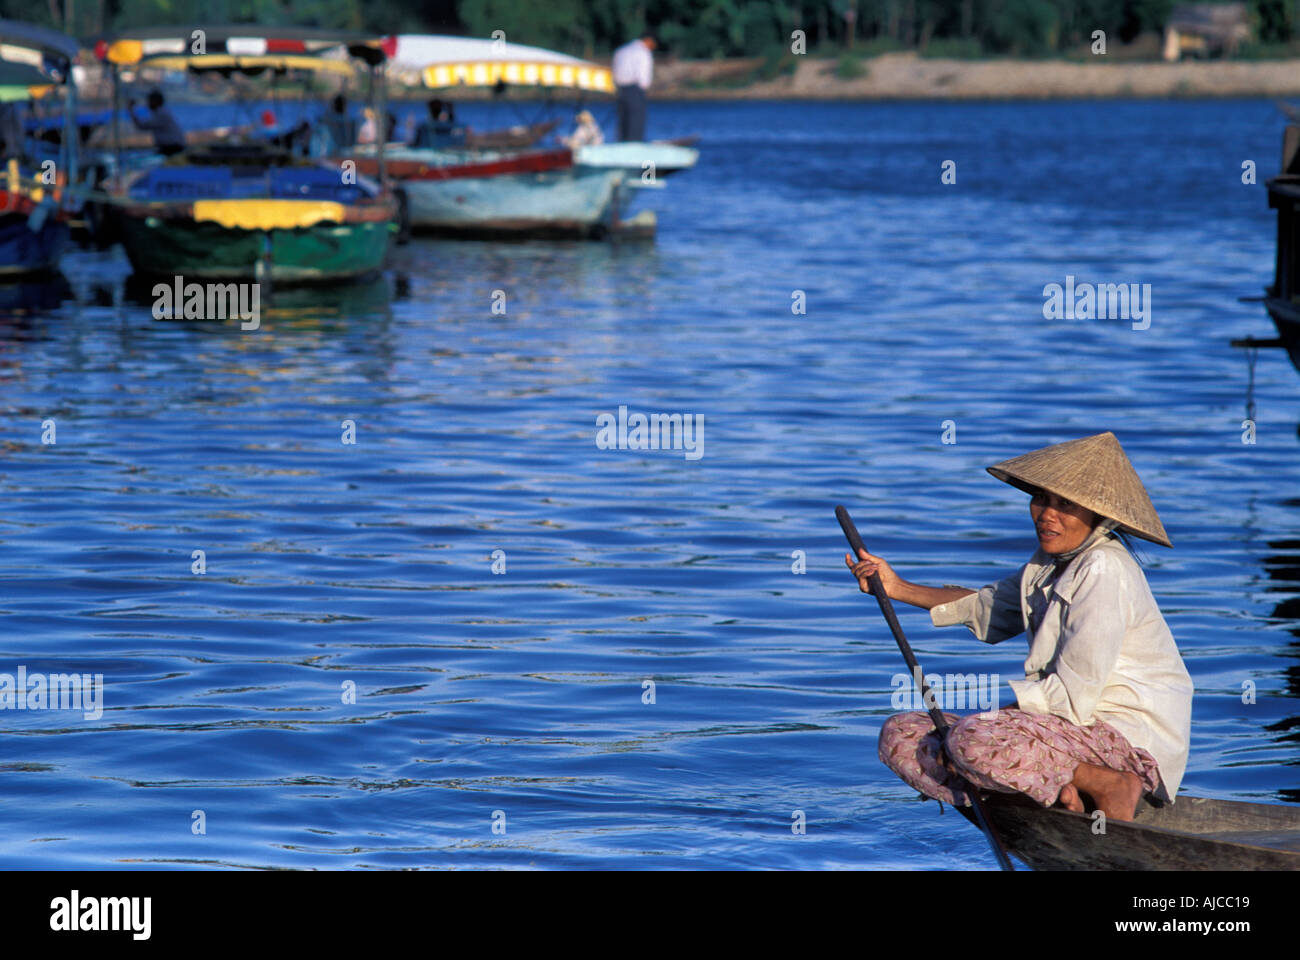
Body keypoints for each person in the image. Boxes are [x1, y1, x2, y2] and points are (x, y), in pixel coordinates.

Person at [847, 432, 1193, 822]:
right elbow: (989, 608)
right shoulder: (1047, 563)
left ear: (1101, 517)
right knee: (903, 735)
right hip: (1065, 729)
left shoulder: (1104, 569)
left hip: (1121, 734)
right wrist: (897, 587)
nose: (1047, 514)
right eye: (1042, 499)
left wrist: (986, 727)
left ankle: (1110, 784)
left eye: (1065, 504)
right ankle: (1053, 798)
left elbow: (1072, 694)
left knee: (971, 739)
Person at [611, 32, 655, 142]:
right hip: (635, 88)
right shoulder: (643, 52)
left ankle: (622, 142)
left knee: (623, 119)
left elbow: (615, 71)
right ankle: (634, 145)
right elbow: (643, 75)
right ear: (649, 40)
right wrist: (644, 89)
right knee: (636, 120)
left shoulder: (621, 51)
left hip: (620, 89)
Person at [127, 90, 185, 156]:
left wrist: (131, 111)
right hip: (170, 147)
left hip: (173, 148)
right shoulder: (161, 112)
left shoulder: (161, 114)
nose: (147, 103)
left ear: (156, 102)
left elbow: (142, 126)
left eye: (149, 101)